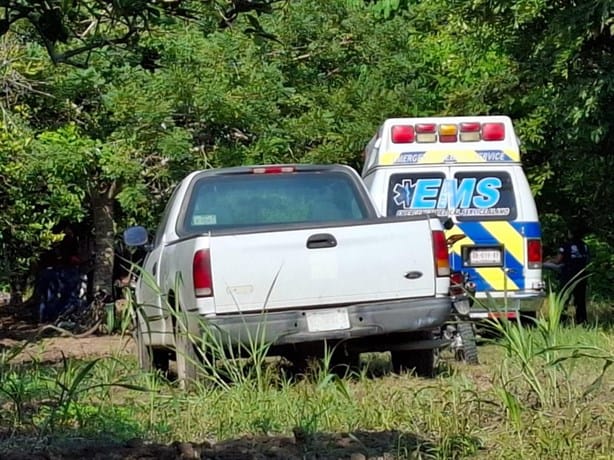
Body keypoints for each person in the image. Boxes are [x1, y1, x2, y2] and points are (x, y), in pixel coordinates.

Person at [552, 224, 590, 324]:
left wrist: (548, 260)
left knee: (563, 298)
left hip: (568, 274)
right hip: (582, 275)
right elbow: (586, 259)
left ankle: (561, 320)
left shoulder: (566, 246)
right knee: (580, 299)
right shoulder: (584, 245)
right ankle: (582, 321)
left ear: (571, 234)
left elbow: (557, 261)